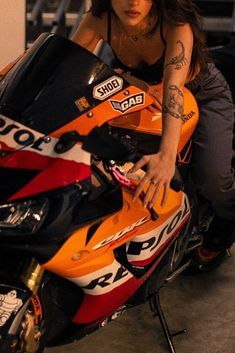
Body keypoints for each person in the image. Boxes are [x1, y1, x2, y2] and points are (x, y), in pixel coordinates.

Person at [72, 0, 235, 265]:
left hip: (200, 92)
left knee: (212, 178)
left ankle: (228, 220)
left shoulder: (175, 22)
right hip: (142, 95)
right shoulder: (100, 19)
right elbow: (66, 66)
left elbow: (174, 88)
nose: (133, 2)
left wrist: (167, 157)